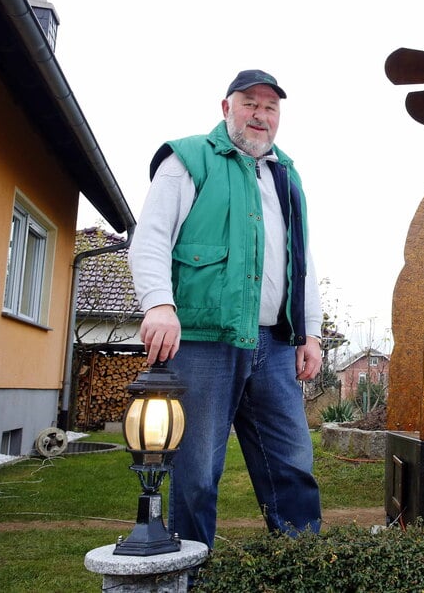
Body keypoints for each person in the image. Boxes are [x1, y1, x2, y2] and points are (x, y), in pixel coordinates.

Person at [128, 69, 323, 549]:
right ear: (226, 108)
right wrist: (158, 304)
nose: (260, 115)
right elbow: (149, 238)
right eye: (250, 104)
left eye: (270, 107)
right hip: (202, 342)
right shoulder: (188, 158)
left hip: (275, 346)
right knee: (196, 473)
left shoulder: (287, 174)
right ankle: (190, 572)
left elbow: (301, 260)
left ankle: (302, 566)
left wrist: (311, 332)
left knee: (294, 465)